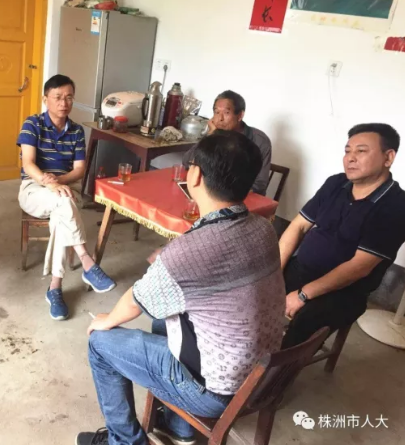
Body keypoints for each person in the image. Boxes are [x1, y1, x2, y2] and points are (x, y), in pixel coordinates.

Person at [76, 131, 286, 445]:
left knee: (100, 342)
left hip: (213, 391)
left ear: (195, 175)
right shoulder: (263, 228)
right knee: (165, 314)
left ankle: (125, 441)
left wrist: (106, 320)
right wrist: (172, 262)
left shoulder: (189, 252)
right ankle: (180, 427)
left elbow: (136, 300)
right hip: (258, 376)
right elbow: (214, 267)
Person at [280, 123, 405, 349]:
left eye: (361, 151)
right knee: (251, 283)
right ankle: (241, 351)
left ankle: (275, 369)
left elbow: (359, 267)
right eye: (347, 151)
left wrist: (302, 295)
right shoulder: (336, 183)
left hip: (345, 291)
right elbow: (298, 226)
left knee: (306, 321)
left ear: (388, 157)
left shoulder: (396, 206)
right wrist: (274, 270)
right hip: (302, 270)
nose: (350, 158)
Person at [18, 75, 115, 321]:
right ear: (45, 99)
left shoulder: (77, 131)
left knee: (62, 213)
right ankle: (86, 261)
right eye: (58, 97)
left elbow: (79, 170)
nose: (64, 103)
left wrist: (59, 182)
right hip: (34, 188)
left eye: (69, 97)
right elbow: (28, 163)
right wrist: (49, 183)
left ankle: (55, 287)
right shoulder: (32, 124)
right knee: (64, 203)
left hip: (66, 189)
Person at [151, 90, 272, 196]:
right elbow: (187, 162)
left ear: (240, 115)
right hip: (214, 195)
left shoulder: (259, 141)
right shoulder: (216, 133)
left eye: (226, 113)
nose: (220, 118)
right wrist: (211, 137)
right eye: (216, 112)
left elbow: (259, 185)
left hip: (242, 198)